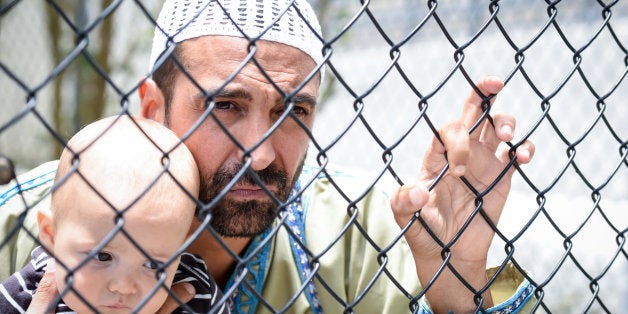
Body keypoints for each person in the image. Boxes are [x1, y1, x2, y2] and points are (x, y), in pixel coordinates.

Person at [0, 0, 538, 313]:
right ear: (152, 107)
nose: (260, 154)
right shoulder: (27, 220)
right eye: (226, 105)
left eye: (292, 113)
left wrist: (456, 284)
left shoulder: (370, 231)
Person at [0, 116, 229, 313]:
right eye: (102, 256)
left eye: (153, 264)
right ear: (51, 235)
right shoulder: (24, 294)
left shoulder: (196, 295)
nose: (124, 286)